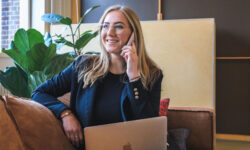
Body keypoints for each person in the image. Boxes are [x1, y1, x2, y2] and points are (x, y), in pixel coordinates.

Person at [31, 5, 163, 149]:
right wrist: (65, 114)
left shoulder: (152, 75)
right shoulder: (82, 66)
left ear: (133, 34)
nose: (110, 33)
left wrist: (133, 78)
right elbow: (39, 93)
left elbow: (148, 127)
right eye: (105, 26)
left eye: (118, 27)